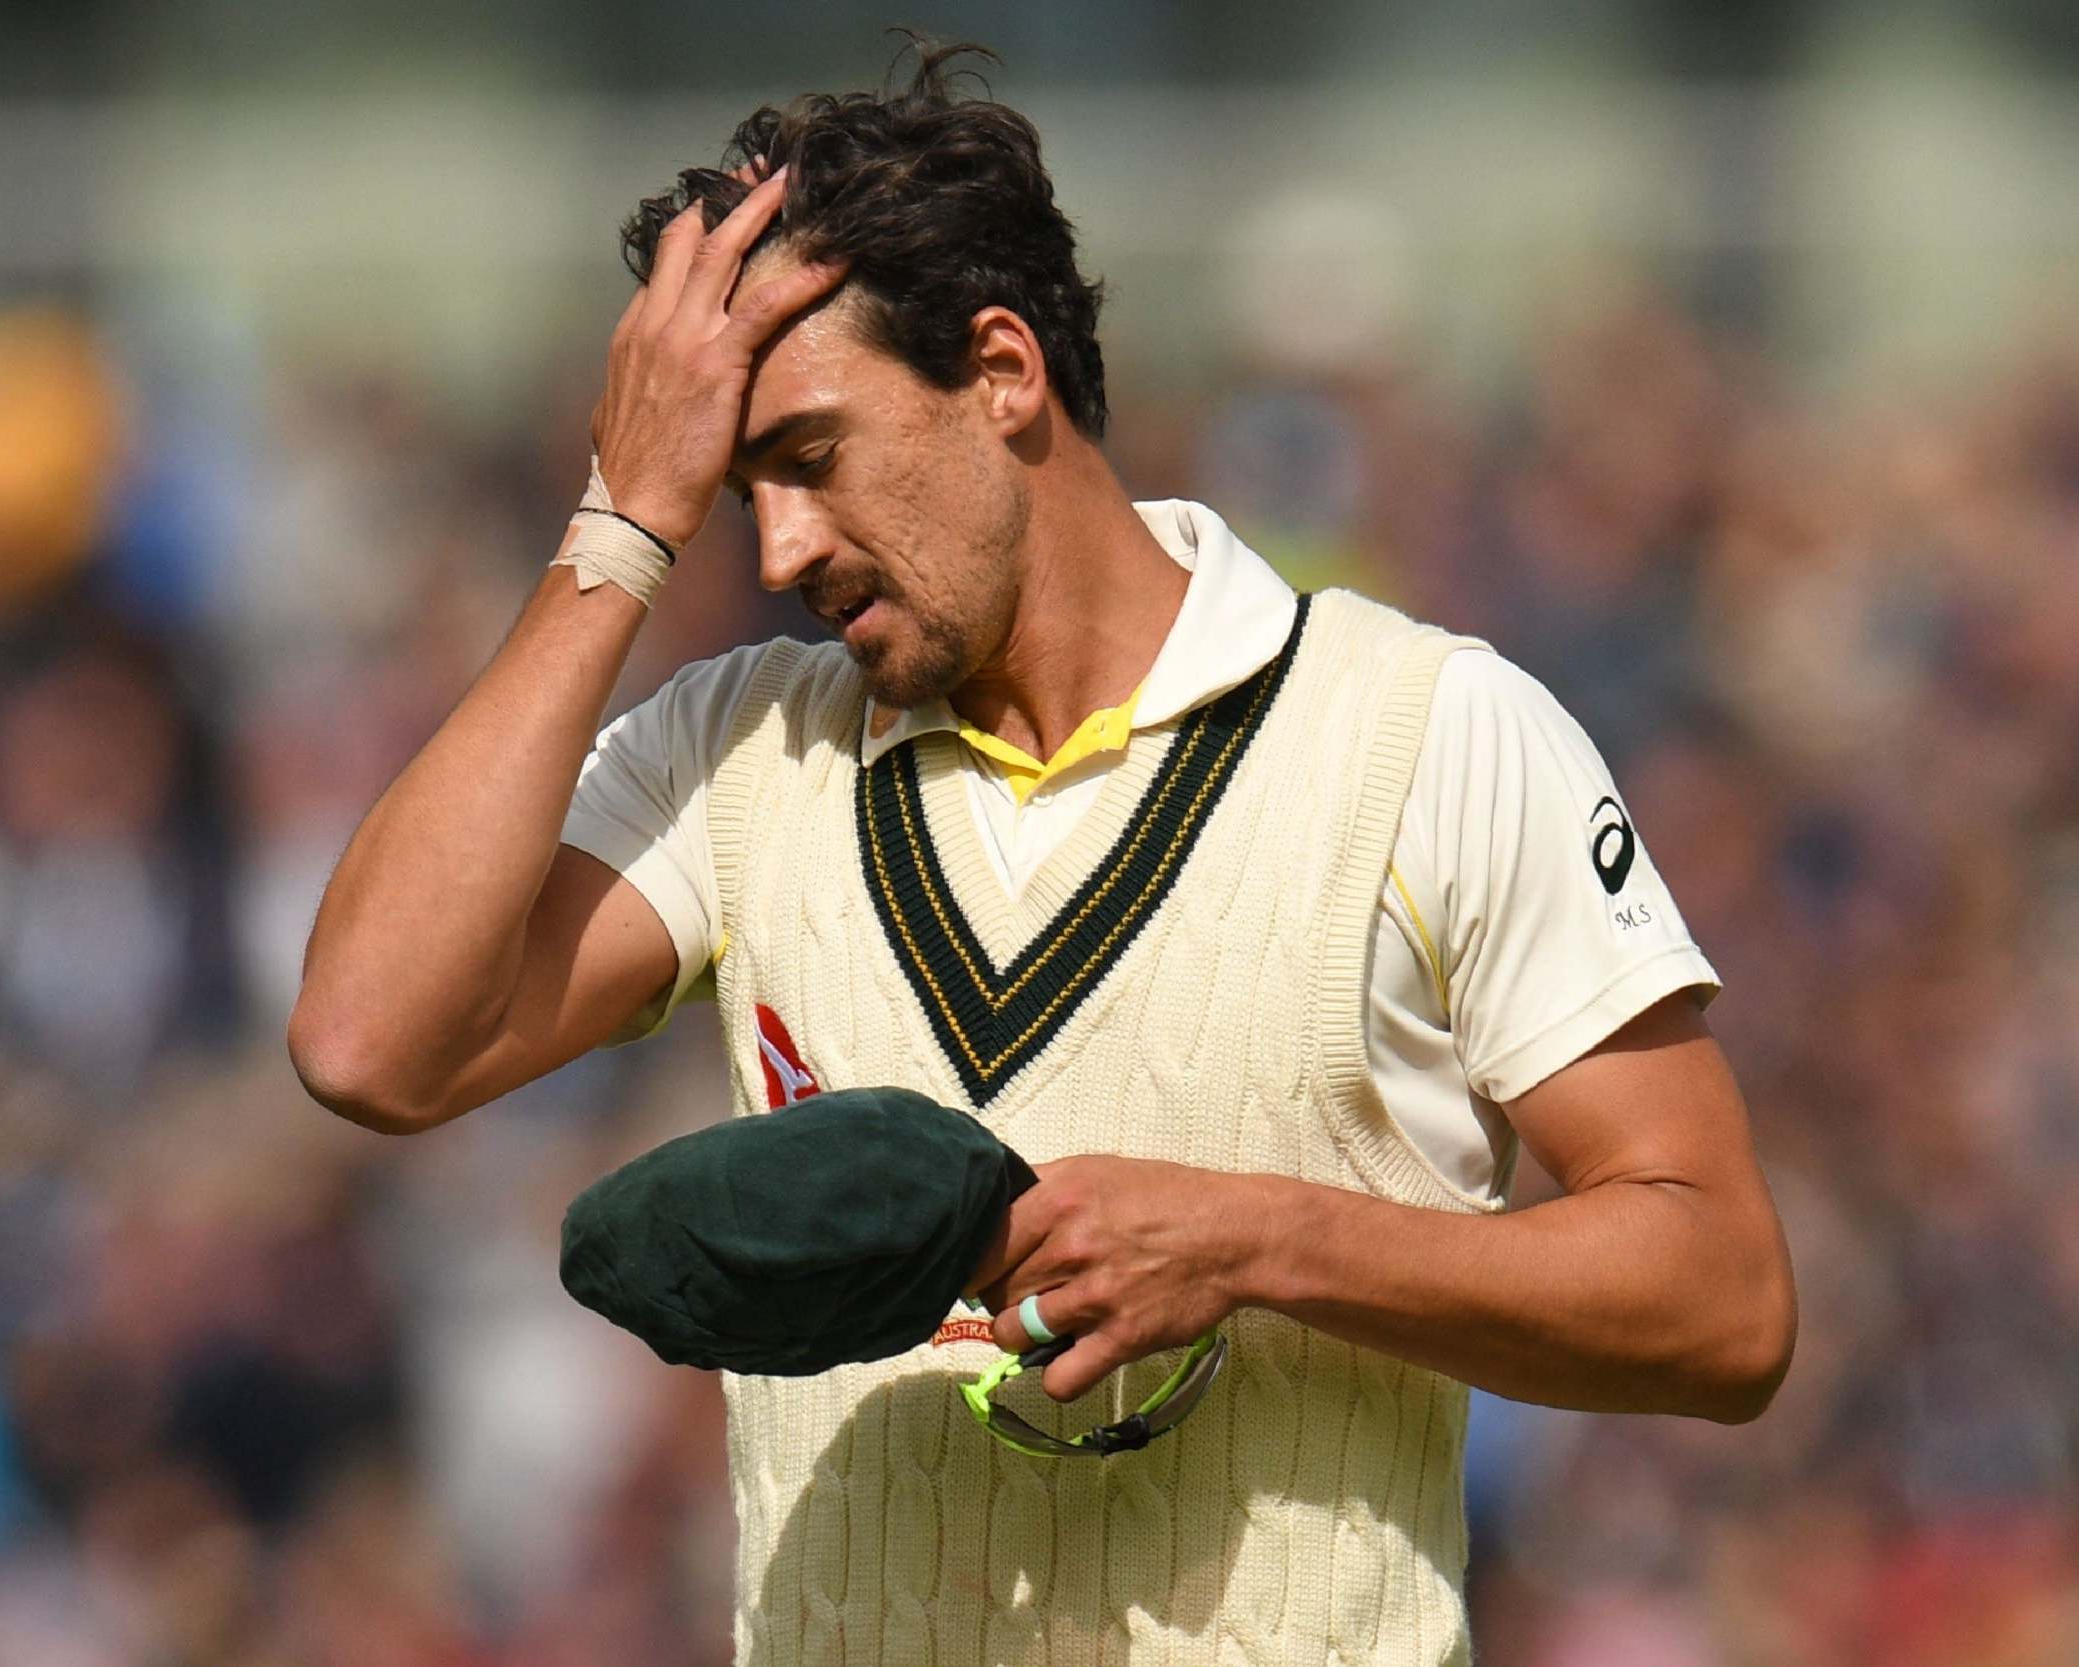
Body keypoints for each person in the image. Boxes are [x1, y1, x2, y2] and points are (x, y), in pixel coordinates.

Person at [288, 40, 1796, 1667]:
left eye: (808, 458)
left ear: (1001, 371)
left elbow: (1719, 1297)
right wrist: (617, 523)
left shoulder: (1426, 733)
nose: (778, 548)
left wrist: (1254, 1240)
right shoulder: (735, 751)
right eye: (733, 496)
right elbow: (372, 1042)